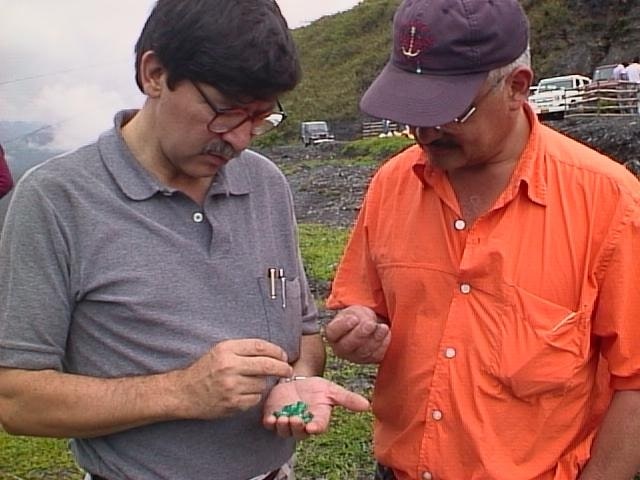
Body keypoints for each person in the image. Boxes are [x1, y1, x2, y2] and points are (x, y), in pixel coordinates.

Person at [0, 1, 369, 479]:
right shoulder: (55, 200)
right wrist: (180, 391)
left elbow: (302, 335)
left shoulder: (267, 184)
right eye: (226, 112)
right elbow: (17, 398)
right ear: (154, 74)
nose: (240, 139)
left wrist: (295, 383)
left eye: (260, 118)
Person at [325, 0, 640, 479]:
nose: (423, 132)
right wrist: (357, 326)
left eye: (447, 111)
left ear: (516, 88)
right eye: (411, 110)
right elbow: (362, 302)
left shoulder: (612, 203)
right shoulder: (392, 183)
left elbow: (634, 382)